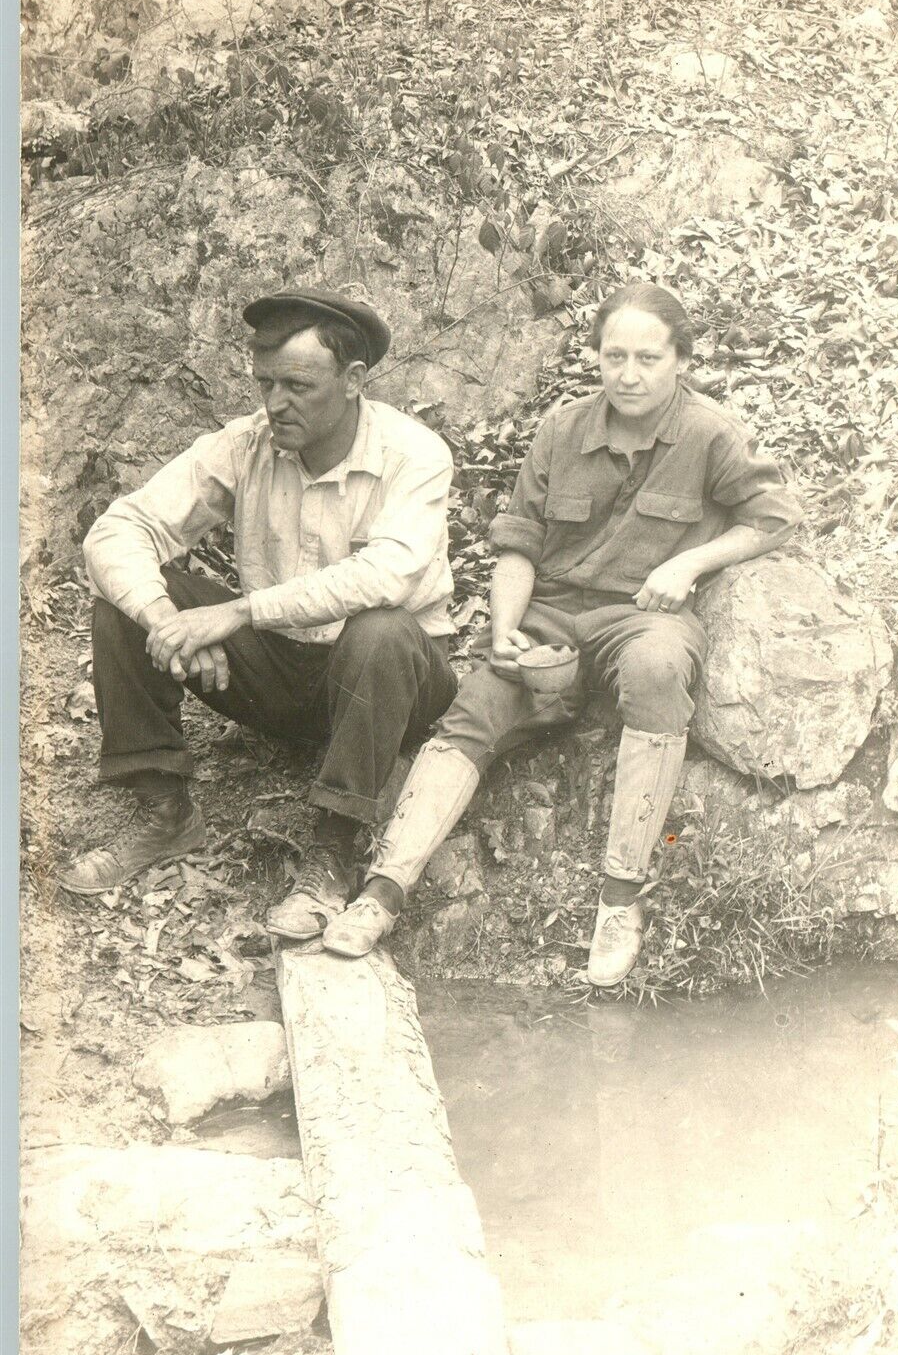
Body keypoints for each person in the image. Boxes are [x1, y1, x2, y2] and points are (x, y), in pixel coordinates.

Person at [322, 282, 802, 986]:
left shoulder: (709, 434)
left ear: (679, 361)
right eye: (614, 356)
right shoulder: (562, 428)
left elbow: (775, 517)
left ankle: (619, 898)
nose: (629, 375)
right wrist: (507, 628)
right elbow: (518, 542)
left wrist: (691, 560)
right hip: (549, 613)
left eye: (647, 358)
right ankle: (383, 890)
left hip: (643, 616)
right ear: (597, 357)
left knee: (658, 667)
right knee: (474, 709)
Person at [58, 290, 458, 940]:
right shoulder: (245, 444)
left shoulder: (413, 454)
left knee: (380, 628)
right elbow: (119, 528)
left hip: (392, 684)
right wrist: (166, 617)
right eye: (264, 383)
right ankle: (164, 812)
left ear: (354, 382)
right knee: (125, 600)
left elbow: (388, 573)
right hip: (281, 670)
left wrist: (236, 613)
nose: (275, 404)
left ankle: (333, 852)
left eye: (298, 385)